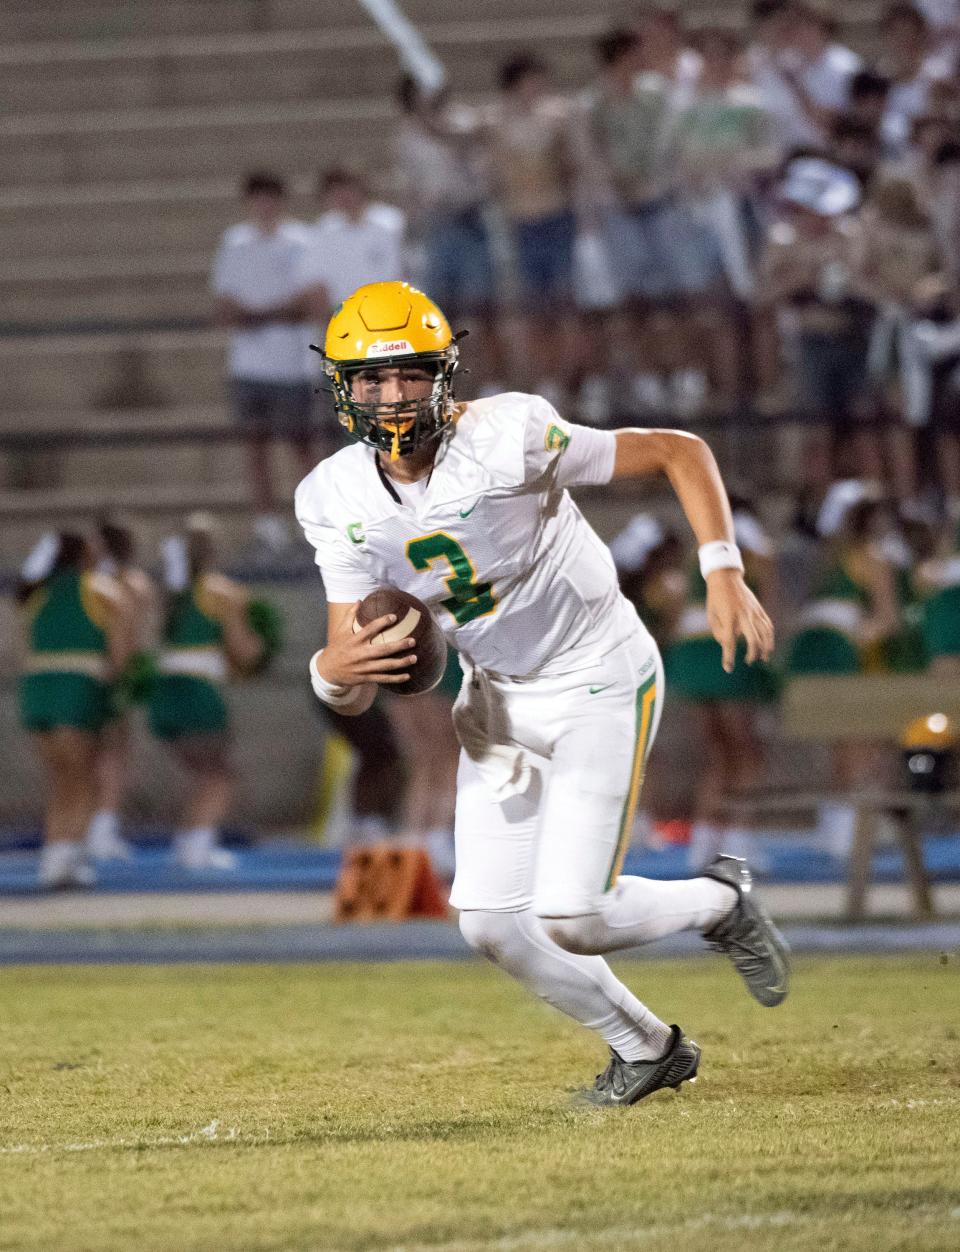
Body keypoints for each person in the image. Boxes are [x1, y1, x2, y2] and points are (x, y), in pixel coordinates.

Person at [295, 281, 787, 1107]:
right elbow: (356, 673)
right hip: (497, 701)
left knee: (573, 916)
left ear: (443, 374)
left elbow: (677, 448)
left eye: (408, 375)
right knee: (489, 922)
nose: (389, 397)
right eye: (370, 381)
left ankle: (721, 897)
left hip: (597, 673)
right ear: (342, 387)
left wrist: (723, 570)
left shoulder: (509, 436)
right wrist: (328, 674)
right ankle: (648, 1048)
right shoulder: (332, 497)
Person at [16, 532, 134, 889]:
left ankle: (55, 856)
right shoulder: (101, 590)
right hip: (76, 690)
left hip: (37, 692)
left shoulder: (35, 594)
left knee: (60, 780)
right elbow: (120, 654)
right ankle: (68, 860)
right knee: (84, 779)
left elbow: (22, 647)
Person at [148, 516, 264, 870]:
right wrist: (260, 647)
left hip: (164, 692)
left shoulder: (169, 591)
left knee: (202, 773)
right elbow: (242, 648)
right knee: (220, 775)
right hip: (198, 692)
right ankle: (198, 847)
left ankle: (187, 843)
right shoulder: (221, 592)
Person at [211, 171, 316, 550]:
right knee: (255, 447)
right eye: (258, 198)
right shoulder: (234, 243)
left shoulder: (301, 241)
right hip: (248, 365)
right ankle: (267, 522)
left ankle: (313, 519)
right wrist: (266, 315)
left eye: (270, 197)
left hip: (290, 363)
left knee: (301, 446)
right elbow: (224, 302)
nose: (265, 206)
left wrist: (261, 316)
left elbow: (307, 299)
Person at [85, 519, 159, 863]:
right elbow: (131, 635)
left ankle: (90, 827)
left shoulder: (91, 582)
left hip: (86, 674)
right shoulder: (131, 583)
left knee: (91, 755)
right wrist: (124, 674)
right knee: (113, 753)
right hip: (112, 673)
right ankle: (101, 829)